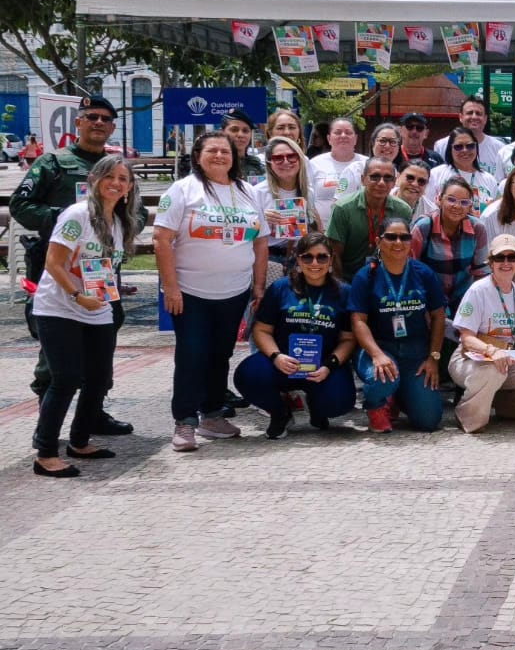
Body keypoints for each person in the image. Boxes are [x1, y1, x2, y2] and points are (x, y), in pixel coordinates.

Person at [10, 92, 144, 424]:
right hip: (58, 265)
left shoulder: (116, 168)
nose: (98, 123)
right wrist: (66, 218)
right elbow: (20, 205)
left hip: (101, 270)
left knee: (102, 343)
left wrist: (120, 226)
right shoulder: (53, 163)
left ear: (112, 128)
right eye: (91, 117)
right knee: (55, 348)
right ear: (79, 123)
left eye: (105, 119)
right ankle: (48, 422)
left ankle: (92, 415)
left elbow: (137, 213)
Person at [154, 131, 269, 452]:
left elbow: (260, 241)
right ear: (198, 156)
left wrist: (258, 286)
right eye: (212, 150)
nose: (219, 156)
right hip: (190, 293)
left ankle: (213, 415)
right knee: (192, 355)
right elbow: (161, 239)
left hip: (234, 292)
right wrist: (171, 288)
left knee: (220, 355)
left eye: (225, 151)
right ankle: (185, 421)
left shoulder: (248, 192)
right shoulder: (182, 190)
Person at [30, 155, 139, 477]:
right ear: (94, 179)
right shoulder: (77, 215)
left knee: (99, 378)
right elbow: (53, 263)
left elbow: (103, 268)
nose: (115, 183)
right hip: (59, 307)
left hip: (97, 309)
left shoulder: (118, 222)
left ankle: (79, 441)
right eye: (109, 176)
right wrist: (77, 295)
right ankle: (46, 453)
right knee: (65, 379)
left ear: (129, 187)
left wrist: (103, 297)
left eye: (122, 179)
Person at [235, 231, 358, 439]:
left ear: (331, 260)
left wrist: (329, 365)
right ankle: (280, 412)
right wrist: (276, 357)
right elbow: (261, 330)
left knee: (340, 402)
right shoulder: (281, 288)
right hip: (283, 363)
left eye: (322, 257)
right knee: (247, 376)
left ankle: (317, 407)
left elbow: (348, 339)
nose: (314, 263)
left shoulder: (344, 292)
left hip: (322, 366)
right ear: (298, 260)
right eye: (307, 257)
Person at [348, 216, 448, 433]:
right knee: (382, 379)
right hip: (380, 348)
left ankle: (400, 396)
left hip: (416, 354)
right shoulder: (366, 276)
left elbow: (439, 316)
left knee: (428, 421)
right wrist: (377, 355)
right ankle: (376, 405)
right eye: (391, 237)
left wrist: (433, 358)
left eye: (404, 237)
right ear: (378, 241)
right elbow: (358, 321)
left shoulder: (423, 273)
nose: (398, 243)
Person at [448, 235, 515, 432]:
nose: (506, 263)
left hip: (508, 358)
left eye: (512, 257)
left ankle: (500, 406)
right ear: (491, 262)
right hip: (469, 359)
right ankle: (468, 416)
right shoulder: (478, 290)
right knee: (492, 371)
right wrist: (492, 351)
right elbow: (466, 338)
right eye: (500, 258)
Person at [410, 175, 487, 340]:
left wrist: (477, 307)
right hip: (429, 298)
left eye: (464, 202)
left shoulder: (478, 228)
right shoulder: (424, 227)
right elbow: (410, 271)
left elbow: (481, 273)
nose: (457, 206)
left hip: (464, 298)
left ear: (470, 206)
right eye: (451, 200)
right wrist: (425, 307)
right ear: (439, 199)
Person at [327, 156, 413, 279]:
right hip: (349, 278)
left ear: (394, 182)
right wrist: (341, 286)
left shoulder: (403, 210)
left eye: (388, 178)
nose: (381, 183)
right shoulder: (343, 208)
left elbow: (405, 250)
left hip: (388, 279)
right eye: (375, 177)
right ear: (363, 179)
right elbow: (334, 254)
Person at [255, 136, 313, 272]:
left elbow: (311, 226)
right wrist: (261, 219)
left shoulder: (308, 192)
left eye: (291, 157)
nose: (286, 162)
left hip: (299, 257)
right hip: (269, 258)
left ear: (300, 159)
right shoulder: (257, 192)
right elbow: (246, 232)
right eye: (278, 158)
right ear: (269, 163)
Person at [426, 125, 501, 217]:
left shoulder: (489, 179)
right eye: (458, 147)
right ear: (450, 149)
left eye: (470, 146)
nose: (465, 150)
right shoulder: (436, 174)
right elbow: (427, 207)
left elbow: (494, 213)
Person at [308, 118, 365, 230]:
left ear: (355, 139)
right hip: (322, 230)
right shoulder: (314, 163)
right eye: (337, 132)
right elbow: (308, 198)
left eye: (348, 132)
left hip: (357, 230)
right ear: (329, 139)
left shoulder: (366, 164)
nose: (343, 136)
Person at [436, 96, 506, 178]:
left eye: (478, 113)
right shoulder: (442, 145)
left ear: (485, 119)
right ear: (461, 117)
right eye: (469, 113)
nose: (474, 117)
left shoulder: (499, 148)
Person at [221, 109, 266, 183]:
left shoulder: (257, 167)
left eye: (245, 131)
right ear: (222, 132)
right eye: (234, 130)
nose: (240, 135)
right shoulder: (217, 163)